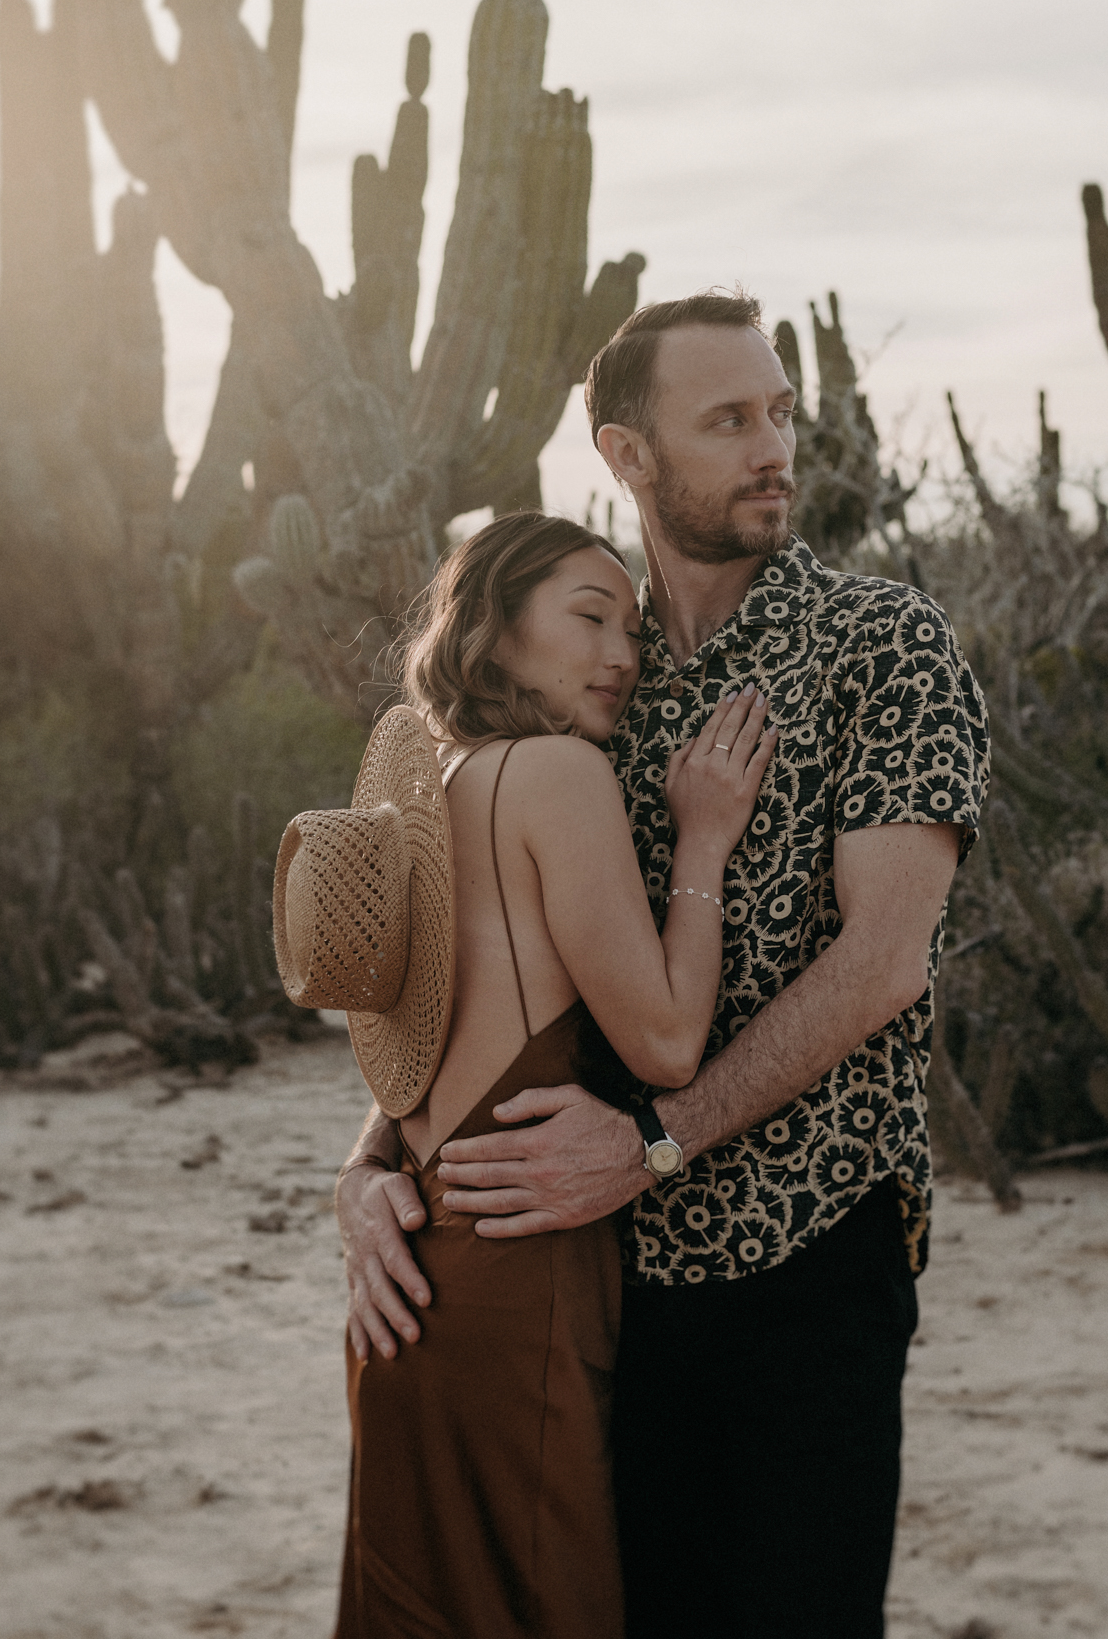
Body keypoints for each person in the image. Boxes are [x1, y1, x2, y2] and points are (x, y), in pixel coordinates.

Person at [337, 293, 990, 1638]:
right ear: (627, 456)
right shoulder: (591, 689)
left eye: (780, 415)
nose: (773, 449)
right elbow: (503, 968)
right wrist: (368, 1171)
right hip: (600, 1282)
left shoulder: (883, 645)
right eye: (727, 420)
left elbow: (884, 962)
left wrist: (650, 1145)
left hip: (804, 1261)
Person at [312, 511, 776, 1638]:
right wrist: (705, 838)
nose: (622, 652)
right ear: (493, 628)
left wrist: (355, 1177)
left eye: (632, 626)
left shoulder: (432, 795)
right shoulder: (560, 775)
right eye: (586, 616)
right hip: (520, 1281)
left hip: (408, 1286)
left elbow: (414, 1052)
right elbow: (667, 1045)